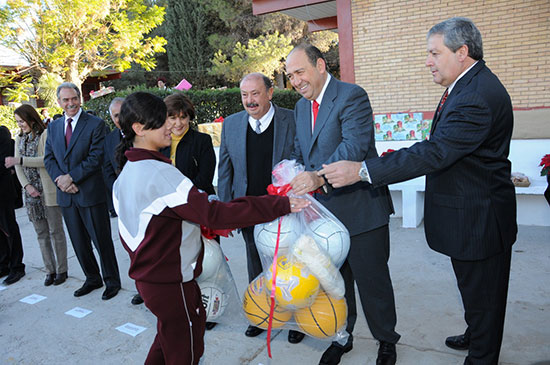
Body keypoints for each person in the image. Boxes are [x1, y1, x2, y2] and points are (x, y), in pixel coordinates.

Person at [319, 17, 517, 364]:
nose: (428, 61)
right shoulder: (467, 85)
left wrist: (363, 170)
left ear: (462, 52)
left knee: (485, 295)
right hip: (469, 215)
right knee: (473, 290)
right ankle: (476, 332)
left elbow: (435, 152)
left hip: (479, 219)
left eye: (434, 53)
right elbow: (439, 146)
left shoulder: (476, 96)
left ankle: (482, 354)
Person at [112, 91, 308, 365]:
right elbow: (215, 214)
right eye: (162, 121)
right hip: (171, 283)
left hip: (150, 281)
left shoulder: (126, 174)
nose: (171, 126)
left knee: (166, 341)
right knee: (185, 353)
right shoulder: (159, 173)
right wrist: (279, 204)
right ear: (139, 129)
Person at [285, 44, 399, 365]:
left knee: (372, 283)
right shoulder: (299, 107)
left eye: (300, 72)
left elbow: (355, 145)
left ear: (320, 65)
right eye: (290, 75)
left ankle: (386, 341)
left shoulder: (351, 96)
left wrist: (316, 177)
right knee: (335, 283)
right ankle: (342, 336)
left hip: (362, 211)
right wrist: (290, 175)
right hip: (323, 215)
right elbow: (300, 151)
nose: (295, 81)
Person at [217, 72, 300, 341]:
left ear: (270, 93)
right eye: (244, 95)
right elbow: (225, 169)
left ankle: (295, 318)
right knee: (255, 264)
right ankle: (262, 313)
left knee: (289, 264)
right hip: (249, 208)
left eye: (255, 93)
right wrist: (226, 211)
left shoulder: (292, 118)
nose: (249, 101)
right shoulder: (231, 124)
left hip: (284, 206)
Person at [44, 82, 122, 300]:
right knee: (79, 242)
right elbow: (49, 158)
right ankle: (92, 278)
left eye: (74, 98)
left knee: (101, 241)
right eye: (66, 100)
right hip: (66, 196)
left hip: (90, 193)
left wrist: (72, 177)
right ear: (58, 102)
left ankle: (111, 281)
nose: (71, 103)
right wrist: (61, 180)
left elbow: (97, 157)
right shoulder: (54, 126)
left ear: (80, 98)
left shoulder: (96, 124)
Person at [5, 105, 68, 286]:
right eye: (17, 122)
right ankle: (50, 270)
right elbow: (17, 167)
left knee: (56, 231)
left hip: (48, 191)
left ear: (31, 119)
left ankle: (62, 270)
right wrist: (27, 186)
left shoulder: (45, 135)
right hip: (31, 195)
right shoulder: (19, 138)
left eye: (22, 121)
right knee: (41, 233)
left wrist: (21, 160)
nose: (20, 125)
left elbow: (46, 160)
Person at [161, 93, 216, 196]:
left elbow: (205, 179)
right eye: (173, 118)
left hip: (197, 200)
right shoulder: (159, 141)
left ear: (189, 117)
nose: (178, 123)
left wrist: (178, 194)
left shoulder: (202, 141)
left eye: (183, 117)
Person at [0, 126, 26, 285]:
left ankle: (17, 266)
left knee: (9, 229)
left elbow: (3, 162)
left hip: (2, 192)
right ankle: (3, 264)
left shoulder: (2, 134)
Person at [103, 97, 125, 218]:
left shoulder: (145, 134)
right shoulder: (109, 140)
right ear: (112, 118)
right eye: (116, 115)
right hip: (122, 199)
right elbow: (107, 171)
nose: (120, 119)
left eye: (123, 113)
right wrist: (118, 193)